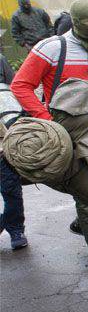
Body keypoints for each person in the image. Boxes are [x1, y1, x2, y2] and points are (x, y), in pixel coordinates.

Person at [10, 0, 88, 271]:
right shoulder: (50, 48)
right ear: (76, 23)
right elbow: (21, 85)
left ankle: (86, 220)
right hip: (65, 129)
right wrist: (47, 121)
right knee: (87, 189)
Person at [0, 53, 27, 251]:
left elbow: (15, 87)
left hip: (3, 142)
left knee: (11, 190)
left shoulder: (1, 59)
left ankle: (16, 229)